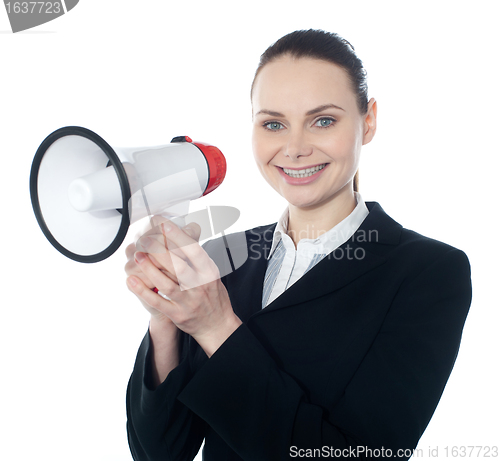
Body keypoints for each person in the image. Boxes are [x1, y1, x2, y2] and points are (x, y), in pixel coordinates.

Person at [124, 29, 472, 461]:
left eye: (323, 120)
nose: (294, 148)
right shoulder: (222, 260)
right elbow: (159, 452)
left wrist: (215, 327)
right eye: (274, 124)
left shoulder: (428, 273)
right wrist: (165, 320)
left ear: (369, 121)